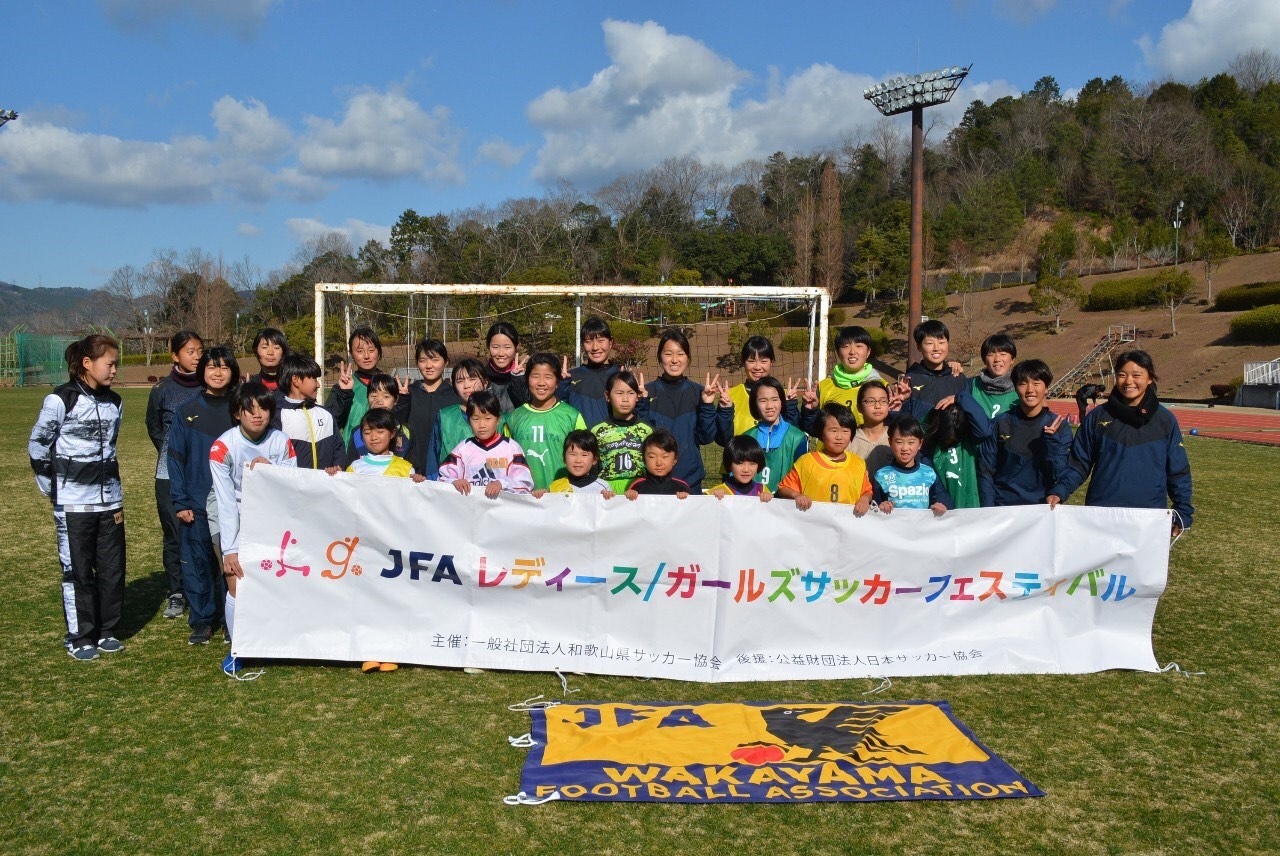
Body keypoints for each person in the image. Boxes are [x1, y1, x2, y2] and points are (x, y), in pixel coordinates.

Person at [28, 334, 126, 661]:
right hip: (72, 506)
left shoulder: (115, 402)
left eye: (116, 364)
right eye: (110, 364)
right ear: (87, 363)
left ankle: (107, 630)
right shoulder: (61, 399)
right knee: (79, 572)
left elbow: (110, 449)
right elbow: (38, 445)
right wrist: (53, 489)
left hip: (111, 503)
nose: (114, 370)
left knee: (112, 571)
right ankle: (80, 636)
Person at [1049, 350, 1193, 536]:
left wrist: (1182, 511)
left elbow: (1178, 471)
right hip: (1101, 515)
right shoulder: (1097, 417)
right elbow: (1078, 463)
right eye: (1122, 375)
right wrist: (1060, 490)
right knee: (1099, 567)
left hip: (1149, 518)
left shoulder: (1164, 420)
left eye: (1136, 375)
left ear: (1150, 379)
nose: (1129, 381)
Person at [211, 381, 297, 677]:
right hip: (235, 515)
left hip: (272, 518)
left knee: (272, 578)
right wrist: (230, 548)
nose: (257, 415)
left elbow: (293, 486)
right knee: (236, 580)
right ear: (237, 413)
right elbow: (224, 502)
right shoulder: (223, 446)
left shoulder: (281, 441)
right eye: (249, 410)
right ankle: (238, 649)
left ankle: (271, 640)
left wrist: (270, 472)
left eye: (263, 409)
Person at [167, 346, 240, 645]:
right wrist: (181, 500)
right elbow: (175, 458)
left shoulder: (241, 409)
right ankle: (202, 620)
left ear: (233, 371)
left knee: (229, 562)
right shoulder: (187, 411)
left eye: (224, 367)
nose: (218, 372)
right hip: (196, 501)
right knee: (198, 562)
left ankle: (229, 619)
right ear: (202, 372)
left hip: (231, 503)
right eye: (211, 367)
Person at [145, 330, 204, 620]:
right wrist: (175, 456)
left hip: (203, 474)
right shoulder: (162, 390)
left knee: (204, 533)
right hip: (169, 475)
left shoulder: (211, 386)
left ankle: (202, 591)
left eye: (199, 351)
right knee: (174, 534)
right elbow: (154, 427)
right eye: (190, 351)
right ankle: (177, 593)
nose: (196, 356)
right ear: (175, 356)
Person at [980, 359, 1072, 507]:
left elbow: (1060, 473)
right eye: (1023, 383)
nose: (1030, 390)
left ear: (1046, 388)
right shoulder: (1000, 423)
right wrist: (989, 508)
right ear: (1015, 388)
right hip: (1003, 506)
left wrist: (1051, 442)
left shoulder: (1059, 426)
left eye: (1036, 383)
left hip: (1041, 508)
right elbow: (986, 470)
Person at [642, 329, 718, 493]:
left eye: (680, 354)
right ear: (660, 357)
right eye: (668, 354)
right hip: (654, 483)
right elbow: (641, 436)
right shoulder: (647, 393)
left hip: (690, 482)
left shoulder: (699, 393)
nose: (674, 360)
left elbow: (706, 437)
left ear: (688, 358)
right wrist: (641, 402)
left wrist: (707, 405)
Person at [505, 352, 586, 491]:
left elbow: (585, 457)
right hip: (524, 499)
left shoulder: (572, 416)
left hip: (563, 497)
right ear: (527, 379)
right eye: (535, 376)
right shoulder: (513, 418)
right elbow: (505, 458)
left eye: (548, 377)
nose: (541, 383)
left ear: (557, 383)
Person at [775, 403, 873, 514]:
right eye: (833, 431)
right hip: (814, 525)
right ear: (821, 432)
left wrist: (865, 499)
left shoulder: (858, 463)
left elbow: (866, 491)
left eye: (845, 431)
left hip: (847, 527)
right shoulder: (806, 461)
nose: (839, 437)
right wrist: (797, 495)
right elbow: (784, 488)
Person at [719, 376, 808, 493]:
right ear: (754, 404)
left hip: (784, 506)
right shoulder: (747, 437)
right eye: (763, 401)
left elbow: (801, 478)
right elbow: (734, 477)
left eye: (774, 399)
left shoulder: (798, 438)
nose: (769, 406)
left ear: (782, 402)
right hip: (752, 505)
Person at [439, 390, 534, 497]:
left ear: (498, 420)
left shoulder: (512, 449)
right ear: (469, 420)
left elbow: (525, 483)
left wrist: (502, 483)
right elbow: (442, 479)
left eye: (488, 418)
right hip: (471, 511)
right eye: (476, 419)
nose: (482, 425)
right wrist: (454, 482)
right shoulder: (462, 450)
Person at [800, 325, 883, 432]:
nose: (852, 351)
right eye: (845, 346)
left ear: (868, 352)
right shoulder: (824, 386)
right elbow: (812, 430)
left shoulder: (881, 386)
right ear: (838, 353)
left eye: (859, 346)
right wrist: (810, 411)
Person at [425, 358, 495, 479]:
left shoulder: (499, 418)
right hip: (451, 491)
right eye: (460, 381)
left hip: (488, 490)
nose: (466, 385)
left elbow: (507, 461)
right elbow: (433, 459)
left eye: (472, 379)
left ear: (485, 383)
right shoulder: (445, 416)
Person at [274, 353, 343, 473]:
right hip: (293, 489)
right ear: (295, 380)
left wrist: (337, 468)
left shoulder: (325, 414)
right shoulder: (277, 416)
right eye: (313, 379)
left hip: (325, 487)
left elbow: (339, 448)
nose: (318, 384)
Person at [721, 335, 801, 438]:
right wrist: (724, 410)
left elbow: (792, 435)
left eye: (763, 361)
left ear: (772, 362)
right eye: (751, 361)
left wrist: (789, 406)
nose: (758, 367)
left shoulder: (785, 396)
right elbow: (723, 438)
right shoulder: (730, 396)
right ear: (743, 362)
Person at [872, 416, 953, 517]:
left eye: (911, 442)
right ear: (890, 442)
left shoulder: (929, 473)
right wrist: (881, 506)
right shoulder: (881, 476)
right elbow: (873, 508)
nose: (905, 448)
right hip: (893, 531)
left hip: (921, 530)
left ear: (920, 444)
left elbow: (942, 498)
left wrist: (942, 505)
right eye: (899, 442)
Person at [404, 338, 460, 475]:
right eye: (423, 360)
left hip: (446, 472)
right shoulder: (408, 394)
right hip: (410, 470)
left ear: (446, 362)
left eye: (435, 360)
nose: (429, 366)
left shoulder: (455, 396)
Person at [591, 370, 653, 494]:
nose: (625, 399)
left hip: (639, 491)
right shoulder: (597, 431)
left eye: (631, 393)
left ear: (638, 396)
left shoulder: (647, 431)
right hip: (606, 492)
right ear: (607, 396)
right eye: (619, 393)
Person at [558, 316, 618, 428]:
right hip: (579, 443)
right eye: (588, 341)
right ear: (582, 344)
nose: (595, 347)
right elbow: (559, 413)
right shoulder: (571, 377)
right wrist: (562, 386)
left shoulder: (619, 377)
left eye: (601, 341)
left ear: (611, 342)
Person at [328, 326, 384, 447]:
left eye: (371, 350)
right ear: (351, 354)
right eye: (359, 351)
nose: (366, 356)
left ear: (379, 351)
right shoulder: (344, 386)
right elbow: (330, 423)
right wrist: (344, 393)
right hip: (352, 456)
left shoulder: (389, 384)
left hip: (383, 457)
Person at [341, 372, 410, 465]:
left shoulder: (406, 432)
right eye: (374, 396)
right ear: (367, 397)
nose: (379, 401)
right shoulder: (357, 432)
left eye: (386, 396)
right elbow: (350, 467)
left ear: (396, 400)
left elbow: (415, 468)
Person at [901, 320, 968, 407]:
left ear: (948, 344)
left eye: (941, 342)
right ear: (919, 347)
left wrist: (958, 398)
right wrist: (904, 401)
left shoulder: (958, 377)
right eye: (930, 343)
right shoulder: (910, 379)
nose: (936, 348)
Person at [346, 408, 419, 480]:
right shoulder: (355, 467)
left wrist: (419, 483)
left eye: (380, 432)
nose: (373, 437)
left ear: (392, 434)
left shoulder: (406, 469)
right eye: (367, 433)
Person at [625, 429, 691, 498]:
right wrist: (629, 496)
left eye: (665, 457)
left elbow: (693, 507)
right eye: (652, 457)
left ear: (675, 459)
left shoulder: (682, 487)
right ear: (644, 459)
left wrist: (686, 498)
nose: (659, 463)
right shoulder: (637, 486)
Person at [546, 430, 614, 496]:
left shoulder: (603, 487)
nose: (578, 460)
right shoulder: (555, 487)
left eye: (584, 455)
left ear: (594, 460)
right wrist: (541, 497)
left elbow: (611, 506)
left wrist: (609, 499)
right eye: (572, 454)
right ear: (564, 458)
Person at [969, 333, 1020, 420]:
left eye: (1003, 354)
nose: (997, 359)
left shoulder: (1022, 386)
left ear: (1012, 359)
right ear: (984, 360)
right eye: (991, 354)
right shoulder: (971, 385)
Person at [851, 380, 894, 478]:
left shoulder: (895, 436)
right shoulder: (850, 439)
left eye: (883, 401)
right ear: (859, 407)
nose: (877, 406)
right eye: (870, 401)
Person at [708, 436, 773, 501]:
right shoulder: (718, 492)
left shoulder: (762, 490)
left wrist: (769, 499)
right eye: (739, 463)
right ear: (729, 463)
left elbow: (772, 509)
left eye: (752, 463)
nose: (746, 470)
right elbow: (704, 508)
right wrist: (711, 499)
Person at [484, 321, 528, 413]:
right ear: (488, 346)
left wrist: (518, 380)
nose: (501, 353)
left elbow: (529, 408)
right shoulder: (481, 378)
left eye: (507, 347)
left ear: (517, 346)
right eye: (495, 347)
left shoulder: (527, 379)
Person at [247, 327, 289, 392]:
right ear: (256, 351)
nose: (270, 352)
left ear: (283, 352)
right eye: (264, 347)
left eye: (276, 347)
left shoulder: (292, 383)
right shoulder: (250, 384)